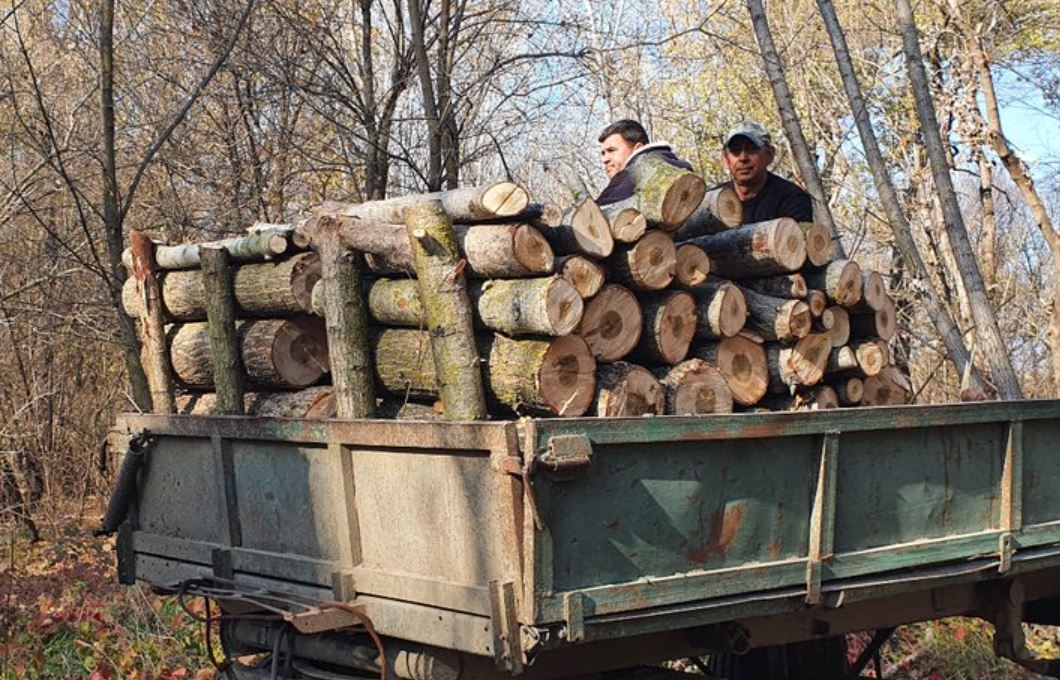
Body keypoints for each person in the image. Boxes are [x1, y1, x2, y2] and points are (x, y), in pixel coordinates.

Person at [721, 122, 813, 224]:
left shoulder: (793, 198)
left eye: (752, 149)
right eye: (735, 150)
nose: (743, 158)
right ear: (725, 159)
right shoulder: (711, 201)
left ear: (769, 154)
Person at [596, 119, 693, 206]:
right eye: (603, 153)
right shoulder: (677, 167)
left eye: (612, 150)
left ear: (638, 148)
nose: (605, 159)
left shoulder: (633, 175)